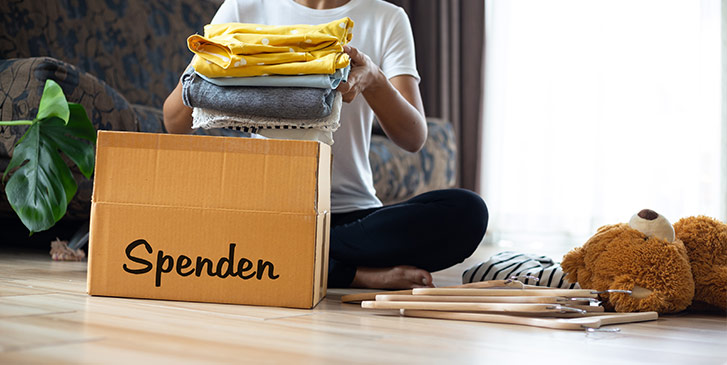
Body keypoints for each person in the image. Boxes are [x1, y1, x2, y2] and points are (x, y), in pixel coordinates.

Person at [162, 0, 488, 289]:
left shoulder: (387, 18)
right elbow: (174, 121)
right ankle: (352, 274)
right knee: (226, 220)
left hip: (352, 217)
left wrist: (374, 79)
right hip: (273, 208)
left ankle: (283, 254)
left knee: (468, 212)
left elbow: (414, 138)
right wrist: (213, 62)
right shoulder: (243, 10)